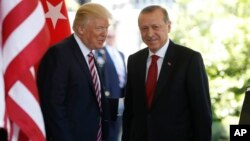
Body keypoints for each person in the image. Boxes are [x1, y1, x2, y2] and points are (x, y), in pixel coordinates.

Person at [122, 5, 212, 141]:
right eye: (144, 28)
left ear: (169, 26)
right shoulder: (134, 60)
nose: (150, 34)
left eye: (155, 27)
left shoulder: (189, 59)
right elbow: (130, 111)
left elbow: (202, 114)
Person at [37, 3, 112, 141]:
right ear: (81, 29)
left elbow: (90, 101)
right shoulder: (59, 54)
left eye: (106, 28)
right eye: (100, 28)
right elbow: (53, 108)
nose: (105, 33)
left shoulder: (89, 55)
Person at [95, 29, 126, 141]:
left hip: (121, 94)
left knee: (118, 126)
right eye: (109, 36)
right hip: (109, 95)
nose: (111, 38)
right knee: (109, 127)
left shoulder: (120, 54)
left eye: (113, 36)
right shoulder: (100, 53)